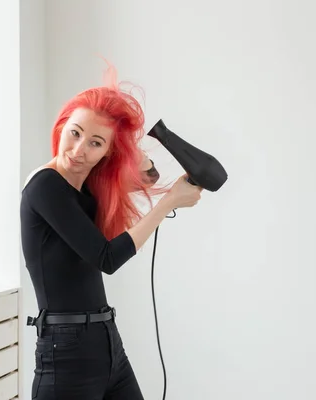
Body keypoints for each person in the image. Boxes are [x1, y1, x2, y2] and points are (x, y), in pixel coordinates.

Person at [20, 63, 203, 399]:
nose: (78, 151)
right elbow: (106, 257)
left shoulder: (87, 186)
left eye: (95, 143)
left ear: (107, 152)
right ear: (62, 126)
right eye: (74, 133)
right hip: (66, 353)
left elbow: (148, 176)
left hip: (106, 343)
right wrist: (167, 204)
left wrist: (127, 147)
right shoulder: (46, 187)